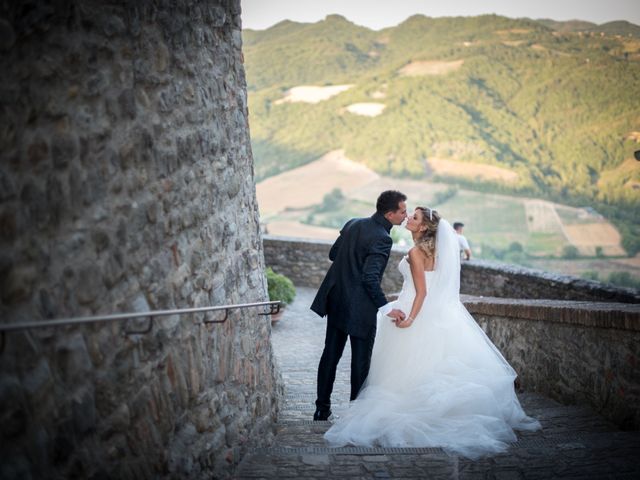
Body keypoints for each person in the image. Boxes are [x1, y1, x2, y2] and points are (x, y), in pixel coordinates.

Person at [324, 207, 541, 458]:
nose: (408, 219)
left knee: (406, 369)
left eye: (414, 217)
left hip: (414, 311)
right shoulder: (437, 252)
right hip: (437, 313)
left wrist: (411, 319)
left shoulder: (416, 252)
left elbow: (422, 292)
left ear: (424, 227)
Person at [311, 190, 408, 421]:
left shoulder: (353, 223)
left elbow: (334, 254)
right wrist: (386, 308)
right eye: (403, 211)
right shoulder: (383, 238)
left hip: (336, 300)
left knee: (330, 356)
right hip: (361, 308)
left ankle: (321, 409)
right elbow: (370, 278)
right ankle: (356, 414)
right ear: (390, 213)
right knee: (360, 360)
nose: (406, 215)